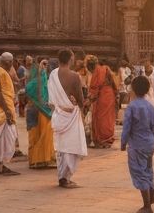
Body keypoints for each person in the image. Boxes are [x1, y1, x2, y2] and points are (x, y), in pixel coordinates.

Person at [49, 48, 87, 188]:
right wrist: (81, 108)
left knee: (62, 147)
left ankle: (62, 177)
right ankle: (65, 178)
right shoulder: (74, 76)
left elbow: (51, 100)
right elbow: (80, 98)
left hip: (58, 114)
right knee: (71, 147)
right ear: (71, 59)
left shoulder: (53, 74)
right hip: (71, 115)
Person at [121, 75, 154, 212]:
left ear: (133, 89)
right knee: (148, 169)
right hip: (149, 143)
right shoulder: (151, 107)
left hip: (137, 144)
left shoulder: (132, 107)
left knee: (139, 171)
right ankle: (151, 196)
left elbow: (127, 128)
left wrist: (123, 143)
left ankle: (147, 205)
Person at [24, 60, 55, 169]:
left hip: (31, 110)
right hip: (42, 111)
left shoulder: (30, 83)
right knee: (45, 135)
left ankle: (33, 161)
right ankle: (43, 159)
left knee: (33, 136)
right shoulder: (42, 80)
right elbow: (44, 98)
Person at [88, 56, 118, 149]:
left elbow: (95, 86)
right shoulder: (106, 69)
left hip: (102, 96)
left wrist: (90, 98)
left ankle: (101, 140)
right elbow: (114, 83)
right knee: (108, 118)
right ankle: (107, 140)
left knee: (101, 118)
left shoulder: (97, 71)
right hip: (110, 95)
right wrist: (115, 94)